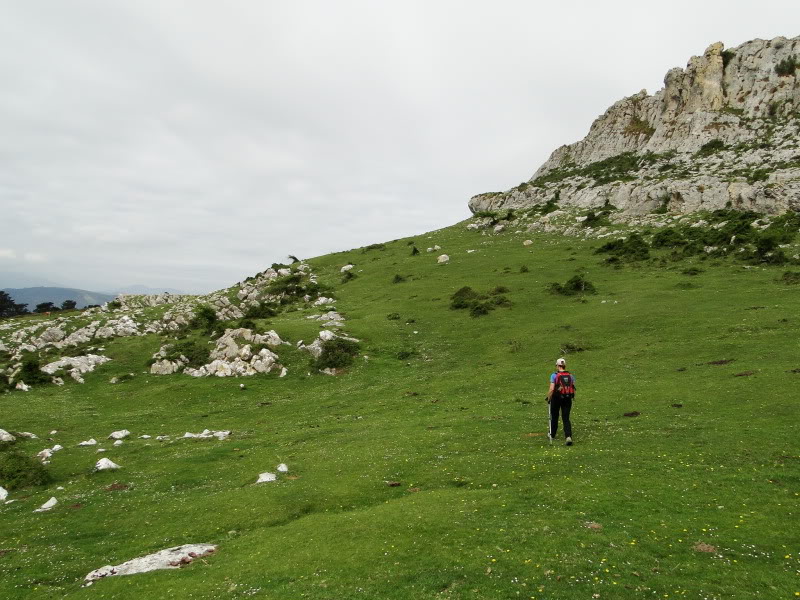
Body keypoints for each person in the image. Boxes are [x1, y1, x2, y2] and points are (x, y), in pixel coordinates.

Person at [547, 357, 575, 446]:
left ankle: (552, 434)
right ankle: (568, 436)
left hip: (556, 398)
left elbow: (552, 389)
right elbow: (573, 388)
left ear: (557, 366)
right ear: (564, 366)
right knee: (566, 417)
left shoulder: (554, 375)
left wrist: (548, 398)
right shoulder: (570, 376)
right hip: (567, 398)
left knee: (554, 416)